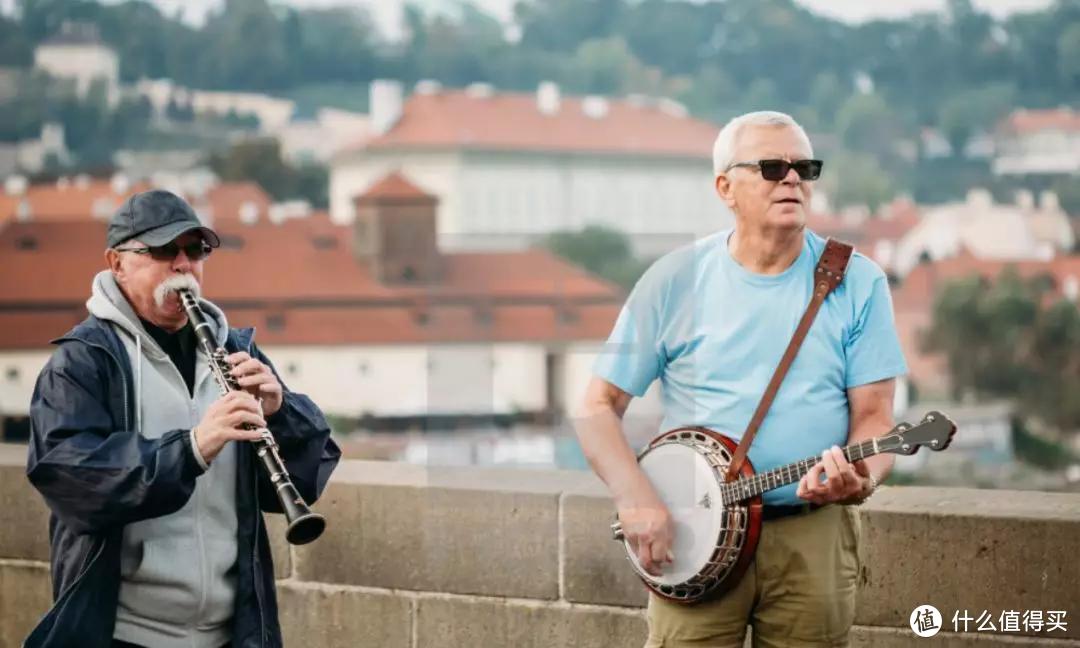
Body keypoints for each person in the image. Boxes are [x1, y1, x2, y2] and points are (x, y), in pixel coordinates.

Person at [576, 111, 907, 647]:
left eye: (805, 167)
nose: (793, 179)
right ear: (725, 187)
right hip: (695, 538)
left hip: (811, 535)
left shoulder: (857, 279)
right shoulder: (674, 280)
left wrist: (861, 476)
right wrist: (635, 497)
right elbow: (597, 407)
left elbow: (875, 417)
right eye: (773, 167)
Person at [25, 189, 341, 648]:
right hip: (123, 635)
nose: (182, 264)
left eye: (194, 250)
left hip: (230, 634)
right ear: (117, 263)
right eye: (161, 251)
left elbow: (307, 478)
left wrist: (281, 414)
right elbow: (72, 479)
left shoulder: (235, 350)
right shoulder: (84, 362)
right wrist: (191, 449)